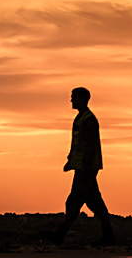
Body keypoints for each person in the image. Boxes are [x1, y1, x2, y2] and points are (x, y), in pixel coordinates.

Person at [46, 86, 118, 245]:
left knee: (74, 201)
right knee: (94, 202)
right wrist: (71, 161)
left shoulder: (88, 119)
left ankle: (60, 234)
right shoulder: (80, 118)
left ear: (83, 99)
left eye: (74, 97)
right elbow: (77, 143)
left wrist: (84, 164)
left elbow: (90, 145)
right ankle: (108, 235)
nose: (71, 100)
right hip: (83, 167)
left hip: (87, 168)